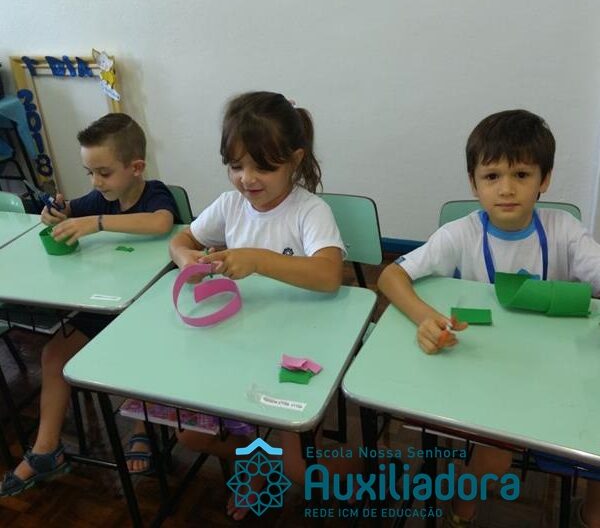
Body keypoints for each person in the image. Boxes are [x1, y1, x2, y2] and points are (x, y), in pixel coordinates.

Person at [377, 109, 600, 528]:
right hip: (485, 373)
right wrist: (427, 318)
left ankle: (591, 514)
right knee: (494, 458)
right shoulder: (460, 234)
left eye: (522, 174)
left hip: (552, 373)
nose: (507, 189)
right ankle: (462, 504)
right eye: (492, 176)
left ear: (545, 179)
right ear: (473, 182)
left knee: (594, 442)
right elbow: (391, 276)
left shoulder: (564, 230)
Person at [169, 91, 356, 520]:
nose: (247, 179)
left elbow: (329, 275)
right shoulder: (230, 205)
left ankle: (333, 467)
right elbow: (181, 239)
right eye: (236, 166)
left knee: (296, 469)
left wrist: (258, 259)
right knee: (190, 436)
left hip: (297, 348)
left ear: (294, 160)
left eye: (263, 167)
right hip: (240, 338)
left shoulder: (309, 211)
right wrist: (186, 258)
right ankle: (254, 458)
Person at [0, 113, 179, 496]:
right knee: (53, 354)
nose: (96, 182)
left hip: (150, 315)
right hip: (104, 309)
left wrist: (96, 223)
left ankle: (144, 427)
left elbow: (161, 223)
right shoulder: (100, 198)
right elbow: (72, 211)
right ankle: (47, 450)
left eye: (104, 173)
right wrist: (57, 213)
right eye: (90, 173)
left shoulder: (155, 194)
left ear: (136, 168)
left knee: (139, 356)